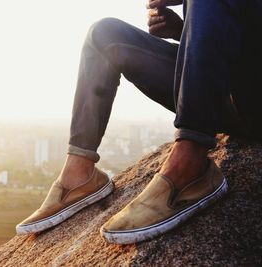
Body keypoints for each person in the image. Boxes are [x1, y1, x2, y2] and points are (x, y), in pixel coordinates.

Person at [16, 0, 262, 244]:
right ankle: (80, 174)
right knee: (103, 34)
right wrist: (183, 30)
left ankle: (191, 165)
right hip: (217, 93)